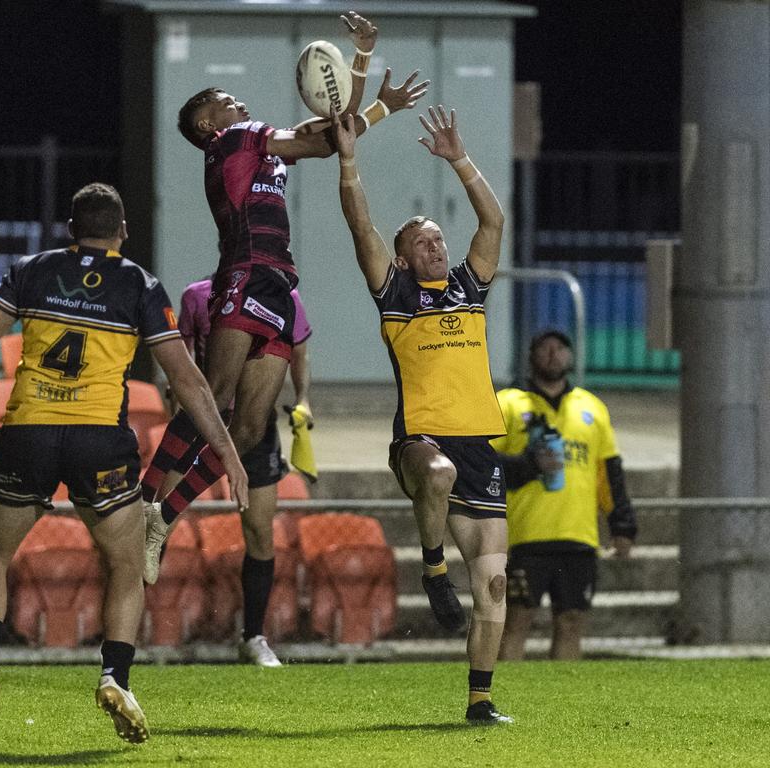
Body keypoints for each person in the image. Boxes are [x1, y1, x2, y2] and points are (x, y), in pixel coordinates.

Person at [0, 183, 247, 744]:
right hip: (99, 440)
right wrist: (227, 452)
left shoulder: (30, 270)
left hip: (27, 431)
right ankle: (115, 678)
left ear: (70, 228)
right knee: (126, 565)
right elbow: (187, 381)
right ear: (122, 230)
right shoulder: (139, 283)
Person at [140, 11, 428, 585]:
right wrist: (358, 73)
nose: (238, 103)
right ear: (206, 119)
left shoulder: (261, 146)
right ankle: (144, 496)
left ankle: (162, 516)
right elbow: (321, 130)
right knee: (214, 395)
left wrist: (370, 76)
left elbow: (332, 137)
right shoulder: (231, 140)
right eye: (226, 98)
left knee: (249, 427)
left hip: (279, 285)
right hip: (246, 272)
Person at [330, 105, 512, 725]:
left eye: (439, 237)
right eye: (423, 242)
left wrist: (459, 159)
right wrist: (349, 159)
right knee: (436, 475)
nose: (437, 245)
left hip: (479, 447)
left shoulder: (470, 285)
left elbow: (493, 219)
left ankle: (480, 703)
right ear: (405, 259)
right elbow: (362, 229)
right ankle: (433, 567)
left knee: (493, 589)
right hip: (422, 439)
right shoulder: (396, 293)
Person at [159, 277, 314, 667]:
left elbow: (299, 353)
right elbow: (186, 353)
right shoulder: (197, 294)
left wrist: (304, 399)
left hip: (255, 426)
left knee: (260, 531)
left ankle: (254, 637)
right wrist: (178, 397)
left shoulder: (285, 296)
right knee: (160, 520)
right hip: (205, 419)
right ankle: (125, 629)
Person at [493, 330, 637, 661]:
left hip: (578, 537)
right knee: (517, 621)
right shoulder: (508, 404)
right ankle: (503, 697)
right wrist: (528, 466)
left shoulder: (592, 408)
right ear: (531, 356)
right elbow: (482, 463)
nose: (553, 355)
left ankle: (564, 699)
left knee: (571, 621)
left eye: (560, 348)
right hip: (526, 536)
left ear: (570, 356)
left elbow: (608, 474)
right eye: (545, 348)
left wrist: (622, 526)